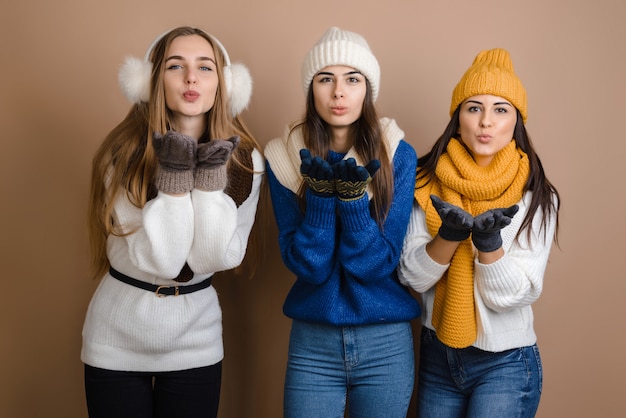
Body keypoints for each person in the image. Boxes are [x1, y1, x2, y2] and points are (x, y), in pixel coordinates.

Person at [81, 26, 264, 418]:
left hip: (194, 341)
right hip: (116, 340)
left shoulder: (246, 162)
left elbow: (215, 257)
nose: (191, 78)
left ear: (224, 83)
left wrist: (211, 175)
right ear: (152, 82)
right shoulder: (124, 155)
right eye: (175, 65)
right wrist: (177, 176)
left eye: (205, 67)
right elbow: (165, 262)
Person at [264, 27, 420, 418]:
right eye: (325, 79)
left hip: (385, 340)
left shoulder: (397, 154)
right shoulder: (282, 159)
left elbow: (377, 264)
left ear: (367, 89)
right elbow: (308, 266)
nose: (339, 92)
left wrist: (351, 203)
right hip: (312, 342)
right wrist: (318, 200)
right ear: (310, 89)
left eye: (352, 79)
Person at [398, 48, 560, 417]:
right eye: (474, 107)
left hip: (506, 364)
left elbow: (515, 294)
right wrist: (449, 236)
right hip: (438, 358)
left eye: (500, 109)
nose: (486, 121)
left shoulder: (536, 196)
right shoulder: (425, 185)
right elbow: (412, 277)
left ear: (516, 122)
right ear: (457, 120)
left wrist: (488, 245)